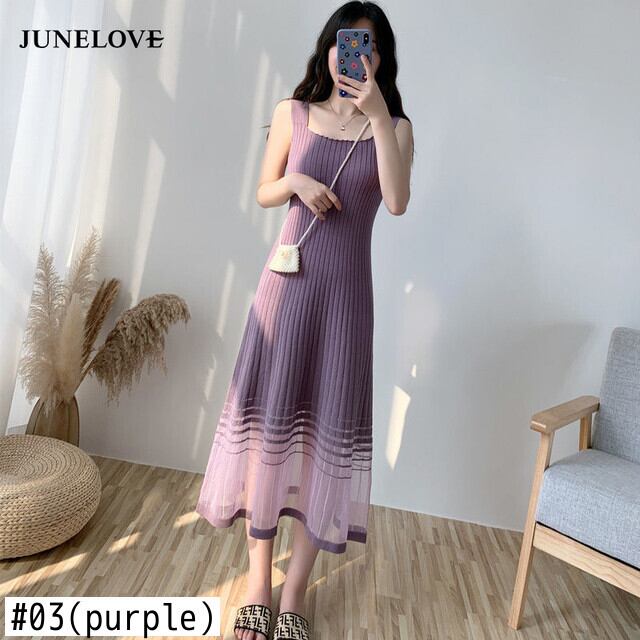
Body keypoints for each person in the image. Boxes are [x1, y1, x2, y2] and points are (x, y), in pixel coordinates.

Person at [196, 2, 413, 638]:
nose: (356, 55)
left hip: (345, 304)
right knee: (268, 439)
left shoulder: (395, 127)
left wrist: (378, 116)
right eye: (348, 42)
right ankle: (258, 590)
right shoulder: (294, 112)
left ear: (381, 59)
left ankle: (293, 597)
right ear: (329, 48)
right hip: (284, 294)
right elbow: (264, 190)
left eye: (368, 46)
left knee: (326, 447)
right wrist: (296, 182)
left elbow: (397, 202)